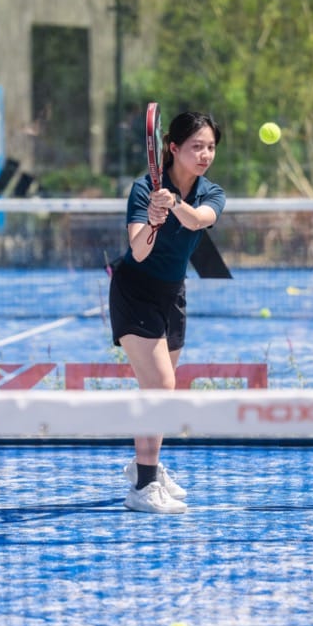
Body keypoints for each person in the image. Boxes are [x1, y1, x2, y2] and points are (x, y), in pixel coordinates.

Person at [109, 112, 225, 514]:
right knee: (160, 385)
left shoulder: (212, 192)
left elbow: (199, 220)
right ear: (173, 148)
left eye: (210, 147)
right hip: (134, 291)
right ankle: (143, 488)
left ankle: (147, 467)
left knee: (159, 391)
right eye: (196, 146)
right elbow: (138, 251)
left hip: (173, 295)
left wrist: (173, 205)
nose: (205, 154)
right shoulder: (144, 189)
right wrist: (152, 221)